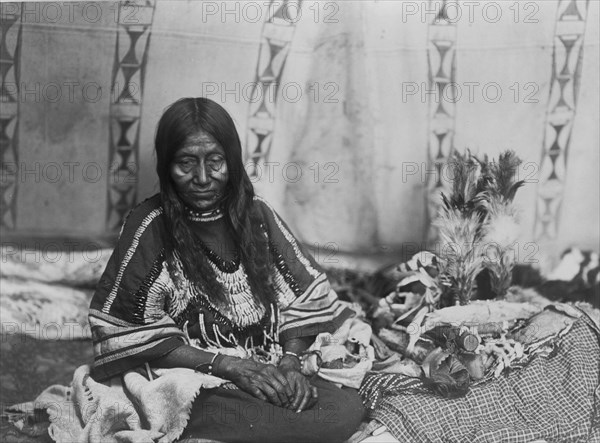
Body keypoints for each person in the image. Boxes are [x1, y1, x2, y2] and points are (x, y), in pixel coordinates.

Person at [89, 97, 365, 442]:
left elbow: (305, 299)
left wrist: (291, 363)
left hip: (267, 361)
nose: (202, 178)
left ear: (231, 161)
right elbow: (127, 329)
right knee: (194, 402)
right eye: (185, 163)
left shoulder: (257, 216)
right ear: (166, 166)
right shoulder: (150, 227)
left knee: (344, 408)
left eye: (215, 161)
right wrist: (228, 366)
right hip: (196, 375)